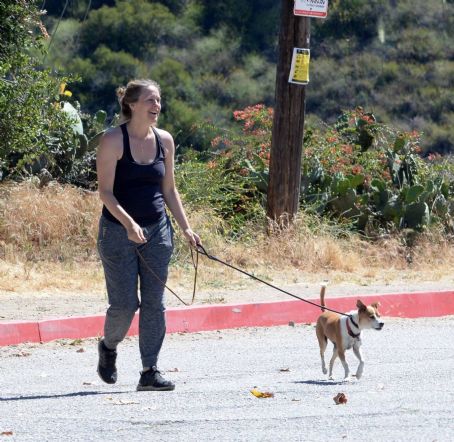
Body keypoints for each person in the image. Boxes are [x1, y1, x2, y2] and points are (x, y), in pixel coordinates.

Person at [96, 79, 200, 391]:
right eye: (150, 101)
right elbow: (105, 192)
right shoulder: (113, 141)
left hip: (158, 230)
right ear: (132, 105)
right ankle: (109, 347)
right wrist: (128, 224)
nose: (157, 106)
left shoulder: (165, 140)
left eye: (158, 100)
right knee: (126, 305)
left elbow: (169, 189)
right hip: (117, 232)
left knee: (155, 302)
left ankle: (149, 370)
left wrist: (185, 228)